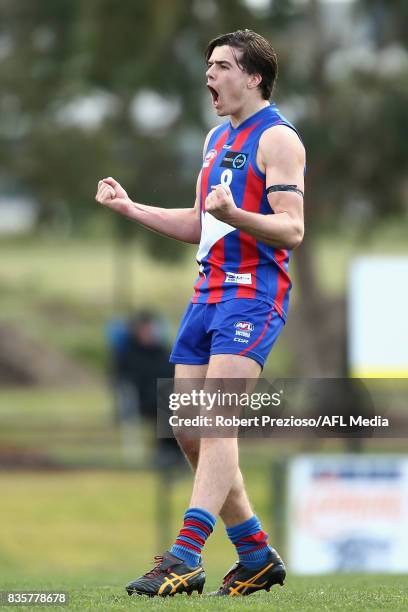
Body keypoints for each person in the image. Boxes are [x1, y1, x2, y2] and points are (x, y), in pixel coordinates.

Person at [95, 29, 305, 598]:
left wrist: (237, 213)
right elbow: (200, 223)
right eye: (208, 65)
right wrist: (130, 206)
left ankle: (185, 556)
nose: (209, 76)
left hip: (253, 294)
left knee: (216, 422)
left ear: (253, 76)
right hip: (206, 295)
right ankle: (256, 553)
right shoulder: (215, 139)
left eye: (220, 66)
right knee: (189, 430)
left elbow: (292, 229)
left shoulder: (279, 139)